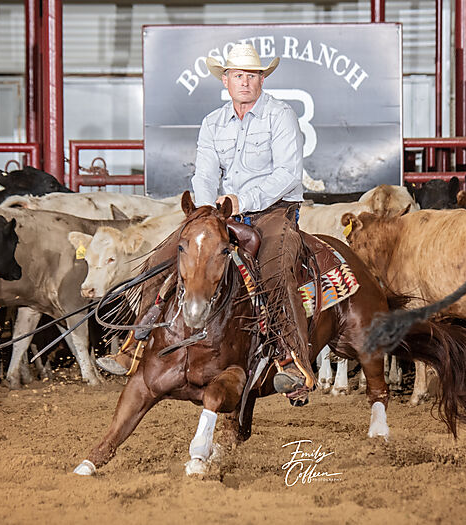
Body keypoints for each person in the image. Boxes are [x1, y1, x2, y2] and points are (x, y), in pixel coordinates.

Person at [97, 43, 315, 405]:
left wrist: (242, 200)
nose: (245, 82)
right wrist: (203, 210)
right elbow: (205, 173)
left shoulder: (281, 116)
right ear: (225, 80)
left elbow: (287, 174)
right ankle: (135, 343)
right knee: (162, 258)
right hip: (222, 211)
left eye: (252, 75)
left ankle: (292, 362)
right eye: (238, 75)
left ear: (262, 80)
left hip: (274, 210)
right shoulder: (214, 122)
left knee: (275, 270)